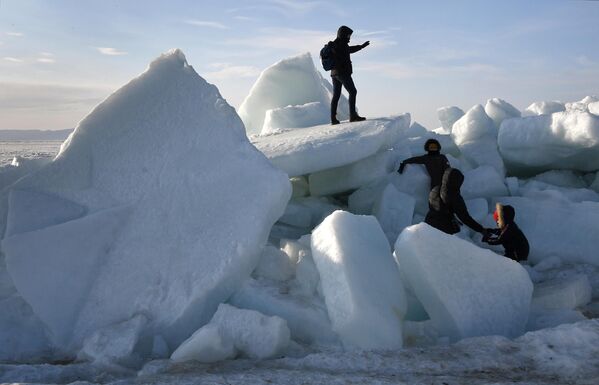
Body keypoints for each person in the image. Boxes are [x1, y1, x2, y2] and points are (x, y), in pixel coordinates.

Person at [425, 167, 486, 236]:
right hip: (443, 229)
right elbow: (465, 218)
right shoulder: (454, 196)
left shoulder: (435, 189)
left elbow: (439, 208)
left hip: (428, 223)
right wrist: (481, 230)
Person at [330, 25, 369, 125]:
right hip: (342, 73)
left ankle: (333, 119)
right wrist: (361, 47)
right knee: (353, 91)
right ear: (343, 35)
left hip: (334, 74)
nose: (349, 37)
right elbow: (349, 50)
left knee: (336, 96)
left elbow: (348, 50)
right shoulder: (342, 44)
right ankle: (353, 116)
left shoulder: (335, 43)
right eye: (348, 35)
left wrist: (360, 47)